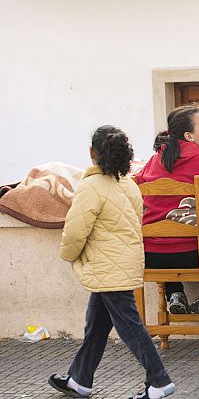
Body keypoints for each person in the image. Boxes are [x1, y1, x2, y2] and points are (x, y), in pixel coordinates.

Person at [49, 126, 176, 399]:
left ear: (92, 153)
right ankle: (80, 380)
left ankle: (159, 381)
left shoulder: (90, 187)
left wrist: (68, 256)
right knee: (95, 324)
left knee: (130, 327)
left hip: (106, 267)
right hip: (124, 262)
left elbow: (74, 232)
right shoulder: (128, 185)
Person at [135, 105, 199, 315]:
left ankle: (174, 292)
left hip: (152, 255)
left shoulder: (153, 161)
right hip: (194, 254)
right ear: (189, 136)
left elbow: (139, 184)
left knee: (168, 231)